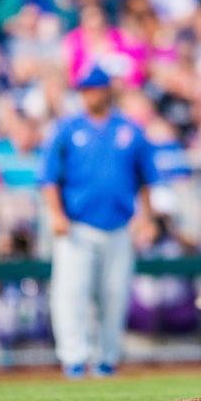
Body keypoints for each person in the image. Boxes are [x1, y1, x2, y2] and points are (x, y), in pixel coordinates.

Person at [39, 66, 157, 378]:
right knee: (71, 294)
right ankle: (74, 359)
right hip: (77, 226)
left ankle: (107, 359)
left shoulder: (129, 129)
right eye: (86, 89)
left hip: (119, 226)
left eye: (96, 88)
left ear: (108, 90)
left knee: (114, 295)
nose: (91, 94)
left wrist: (147, 217)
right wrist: (56, 215)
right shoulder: (67, 129)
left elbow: (145, 179)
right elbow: (48, 179)